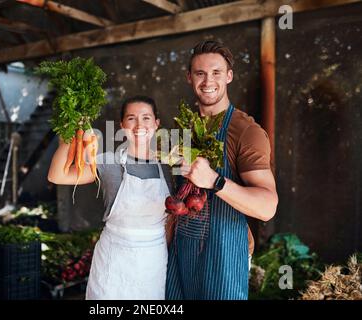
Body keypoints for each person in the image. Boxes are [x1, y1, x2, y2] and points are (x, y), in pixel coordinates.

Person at [165, 40, 278, 300]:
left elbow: (267, 207)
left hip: (222, 257)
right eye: (200, 73)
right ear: (189, 77)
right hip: (180, 254)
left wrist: (216, 181)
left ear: (228, 76)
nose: (208, 81)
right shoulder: (183, 129)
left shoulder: (246, 131)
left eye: (216, 72)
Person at [47, 96, 172, 300]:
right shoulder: (109, 163)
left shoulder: (168, 167)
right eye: (131, 118)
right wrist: (71, 135)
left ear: (156, 124)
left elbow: (171, 222)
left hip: (154, 261)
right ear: (122, 125)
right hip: (114, 260)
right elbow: (57, 175)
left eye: (146, 118)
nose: (139, 125)